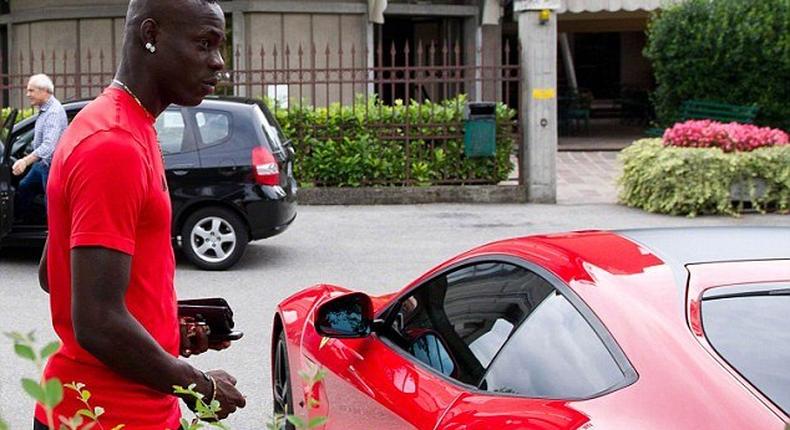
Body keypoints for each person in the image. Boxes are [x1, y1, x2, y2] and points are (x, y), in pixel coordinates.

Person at [34, 0, 245, 428]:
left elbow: (53, 274)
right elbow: (97, 323)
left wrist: (166, 327)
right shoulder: (114, 144)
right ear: (151, 35)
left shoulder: (121, 123)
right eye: (204, 44)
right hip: (106, 415)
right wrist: (201, 385)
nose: (218, 62)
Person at [12, 73, 67, 222]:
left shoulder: (53, 112)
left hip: (51, 166)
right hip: (41, 164)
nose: (28, 94)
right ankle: (20, 222)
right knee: (24, 187)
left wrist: (24, 161)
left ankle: (50, 237)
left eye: (31, 90)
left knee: (51, 204)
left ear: (44, 91)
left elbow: (48, 146)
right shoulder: (45, 110)